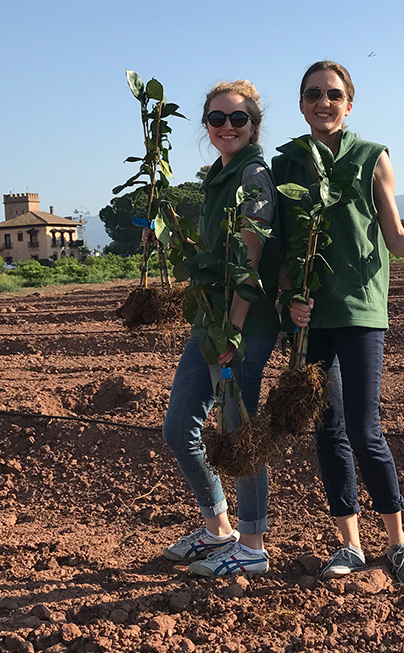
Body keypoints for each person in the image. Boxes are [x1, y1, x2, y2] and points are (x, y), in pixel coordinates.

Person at [273, 61, 404, 587]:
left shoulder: (371, 157)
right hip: (310, 318)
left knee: (364, 429)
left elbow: (393, 234)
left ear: (349, 104)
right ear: (301, 104)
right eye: (313, 94)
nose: (324, 102)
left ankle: (399, 544)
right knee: (327, 429)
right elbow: (284, 246)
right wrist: (289, 300)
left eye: (334, 94)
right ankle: (350, 546)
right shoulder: (288, 163)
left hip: (361, 310)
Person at [160, 80, 280, 577]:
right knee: (178, 427)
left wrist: (231, 331)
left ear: (253, 126)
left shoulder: (253, 175)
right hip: (211, 322)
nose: (226, 127)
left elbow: (249, 256)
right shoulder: (219, 174)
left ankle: (251, 548)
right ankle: (218, 530)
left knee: (239, 435)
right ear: (206, 125)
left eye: (237, 119)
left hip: (242, 326)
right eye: (217, 119)